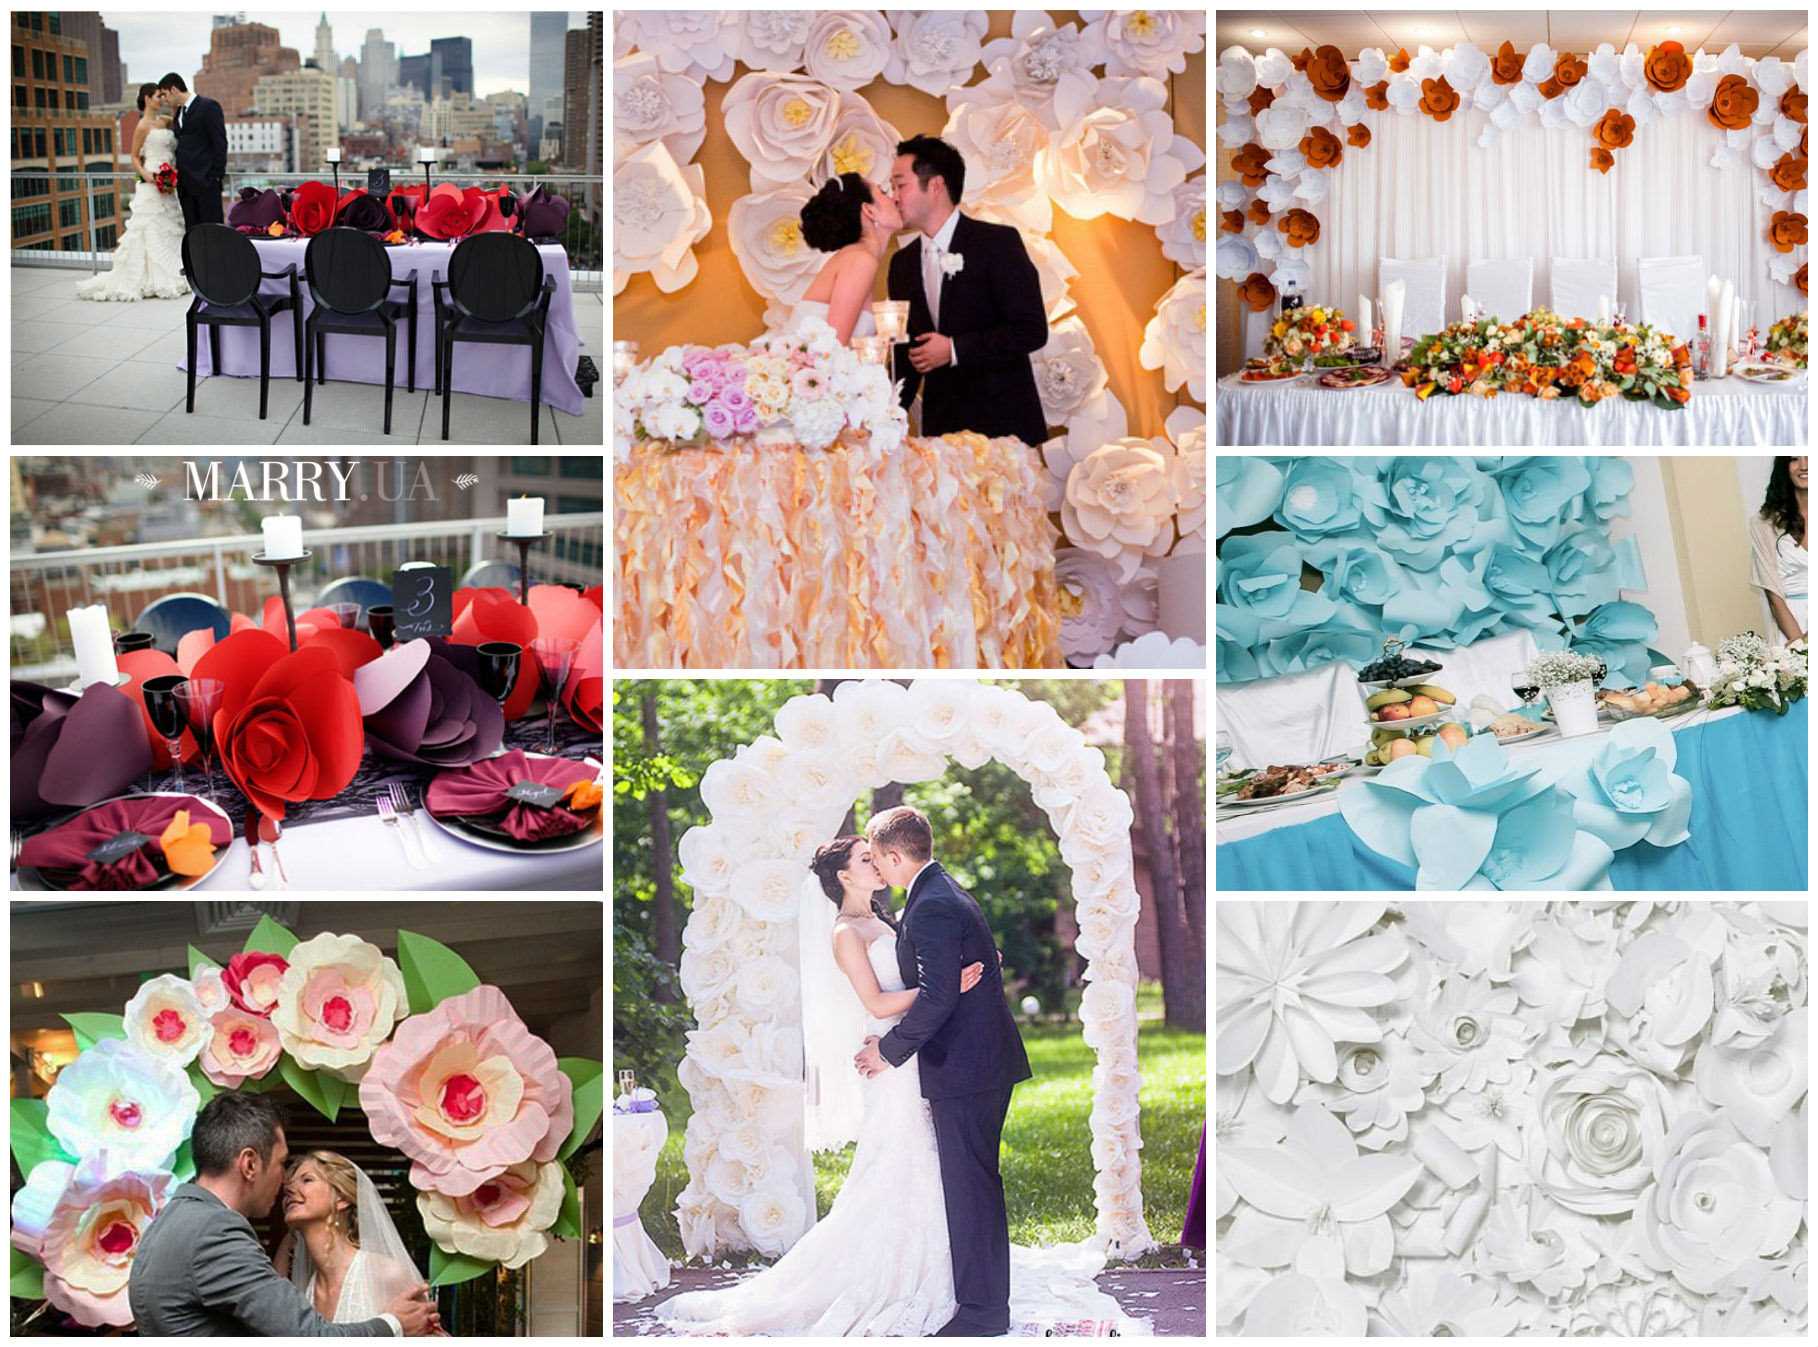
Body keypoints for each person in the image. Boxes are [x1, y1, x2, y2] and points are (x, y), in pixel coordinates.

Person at [656, 810, 1137, 1338]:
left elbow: (936, 978)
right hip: (913, 1059)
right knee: (932, 1177)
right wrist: (923, 1014)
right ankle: (952, 1295)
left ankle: (972, 1304)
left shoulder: (908, 911)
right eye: (864, 860)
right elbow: (888, 998)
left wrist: (956, 984)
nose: (875, 866)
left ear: (894, 854)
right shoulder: (867, 923)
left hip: (937, 1060)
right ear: (844, 876)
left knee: (959, 1183)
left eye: (875, 855)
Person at [128, 1093, 440, 1336]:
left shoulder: (169, 1221)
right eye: (282, 1164)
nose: (284, 1182)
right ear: (250, 1164)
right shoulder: (215, 1232)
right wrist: (394, 1325)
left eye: (305, 1178)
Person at [886, 135, 1050, 449]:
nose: (894, 197)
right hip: (943, 433)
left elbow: (1031, 330)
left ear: (935, 186)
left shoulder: (997, 243)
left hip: (1004, 428)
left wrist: (955, 349)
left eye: (900, 185)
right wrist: (884, 418)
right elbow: (908, 355)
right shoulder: (902, 264)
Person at [278, 1150, 438, 1331]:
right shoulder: (301, 1286)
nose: (289, 1188)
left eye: (307, 1180)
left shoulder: (387, 1273)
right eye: (289, 1184)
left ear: (342, 1198)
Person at [75, 84, 189, 301]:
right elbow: (135, 156)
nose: (161, 99)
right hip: (151, 180)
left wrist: (172, 171)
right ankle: (148, 277)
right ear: (147, 99)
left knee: (169, 226)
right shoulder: (141, 127)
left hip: (169, 179)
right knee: (149, 227)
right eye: (158, 96)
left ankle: (172, 273)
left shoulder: (166, 121)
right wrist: (146, 175)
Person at [792, 172, 906, 346]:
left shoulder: (857, 257)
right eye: (883, 193)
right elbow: (833, 348)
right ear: (869, 210)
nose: (894, 199)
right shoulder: (860, 261)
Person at [1748, 456, 1807, 644]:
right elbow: (1773, 595)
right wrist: (1800, 646)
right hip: (1792, 625)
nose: (1804, 466)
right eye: (1794, 459)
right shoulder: (1764, 523)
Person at [160, 72, 227, 232]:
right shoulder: (179, 114)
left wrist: (214, 177)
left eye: (164, 94)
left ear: (174, 89)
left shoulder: (208, 106)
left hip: (206, 184)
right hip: (185, 186)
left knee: (213, 232)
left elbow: (220, 142)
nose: (164, 99)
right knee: (193, 233)